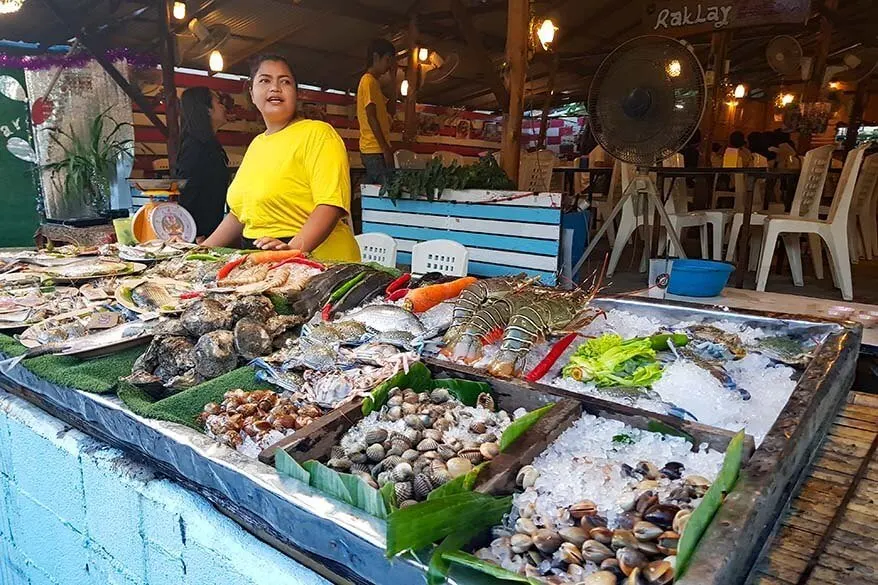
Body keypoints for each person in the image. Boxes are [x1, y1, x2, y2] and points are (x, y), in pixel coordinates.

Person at [202, 55, 360, 262]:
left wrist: (291, 251)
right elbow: (240, 214)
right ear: (251, 92)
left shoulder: (319, 133)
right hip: (266, 259)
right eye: (265, 80)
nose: (275, 88)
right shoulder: (257, 144)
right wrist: (201, 250)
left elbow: (330, 205)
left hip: (320, 262)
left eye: (285, 81)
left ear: (296, 93)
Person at [176, 87, 229, 241]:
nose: (223, 107)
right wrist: (194, 233)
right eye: (218, 102)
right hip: (200, 236)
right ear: (207, 109)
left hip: (212, 231)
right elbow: (188, 194)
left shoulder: (209, 145)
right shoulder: (194, 147)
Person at [357, 38, 396, 184]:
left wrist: (393, 78)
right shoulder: (367, 81)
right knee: (384, 193)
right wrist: (385, 148)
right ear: (375, 57)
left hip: (378, 148)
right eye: (387, 60)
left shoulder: (375, 84)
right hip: (374, 149)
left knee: (384, 189)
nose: (389, 65)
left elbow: (391, 109)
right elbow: (371, 117)